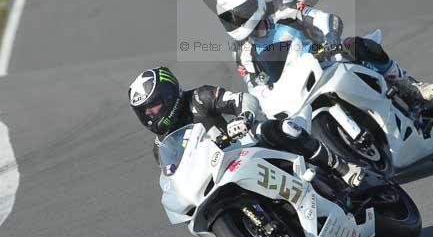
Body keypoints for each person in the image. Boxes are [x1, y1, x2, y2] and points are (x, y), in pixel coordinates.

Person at [128, 65, 365, 187]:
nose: (149, 115)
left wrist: (245, 119)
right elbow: (175, 178)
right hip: (217, 176)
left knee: (280, 129)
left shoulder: (199, 98)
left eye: (153, 106)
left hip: (244, 147)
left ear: (169, 96)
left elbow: (243, 100)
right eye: (144, 112)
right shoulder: (161, 147)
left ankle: (342, 167)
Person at [215, 0, 433, 109]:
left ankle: (409, 84)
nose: (238, 21)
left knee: (359, 46)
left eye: (240, 15)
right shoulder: (241, 51)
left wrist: (330, 35)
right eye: (230, 18)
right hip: (296, 89)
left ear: (255, 2)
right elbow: (255, 86)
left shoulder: (283, 7)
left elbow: (323, 18)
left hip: (328, 58)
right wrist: (262, 103)